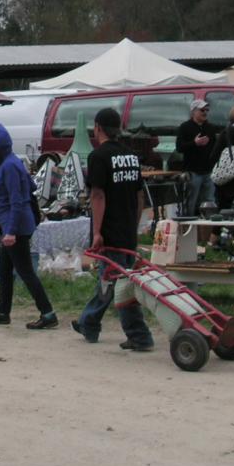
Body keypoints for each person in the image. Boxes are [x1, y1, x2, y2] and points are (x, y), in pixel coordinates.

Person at [71, 108, 154, 351]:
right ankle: (89, 322)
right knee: (112, 280)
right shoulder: (131, 156)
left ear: (97, 128)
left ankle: (139, 335)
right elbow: (139, 196)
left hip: (110, 230)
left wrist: (97, 232)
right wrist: (134, 225)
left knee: (118, 284)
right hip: (127, 229)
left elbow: (98, 194)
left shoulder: (98, 156)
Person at [0, 123, 57, 330]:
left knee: (25, 271)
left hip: (17, 228)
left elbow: (17, 201)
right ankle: (2, 312)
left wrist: (11, 231)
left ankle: (48, 313)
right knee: (3, 268)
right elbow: (30, 186)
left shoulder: (10, 166)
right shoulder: (6, 163)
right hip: (12, 225)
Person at [175, 99, 218, 214]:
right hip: (193, 171)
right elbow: (179, 148)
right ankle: (189, 221)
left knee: (210, 201)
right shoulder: (184, 127)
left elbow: (215, 148)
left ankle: (208, 222)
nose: (205, 112)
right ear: (193, 111)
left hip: (209, 171)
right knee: (191, 202)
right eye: (202, 110)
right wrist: (194, 143)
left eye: (207, 110)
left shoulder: (210, 128)